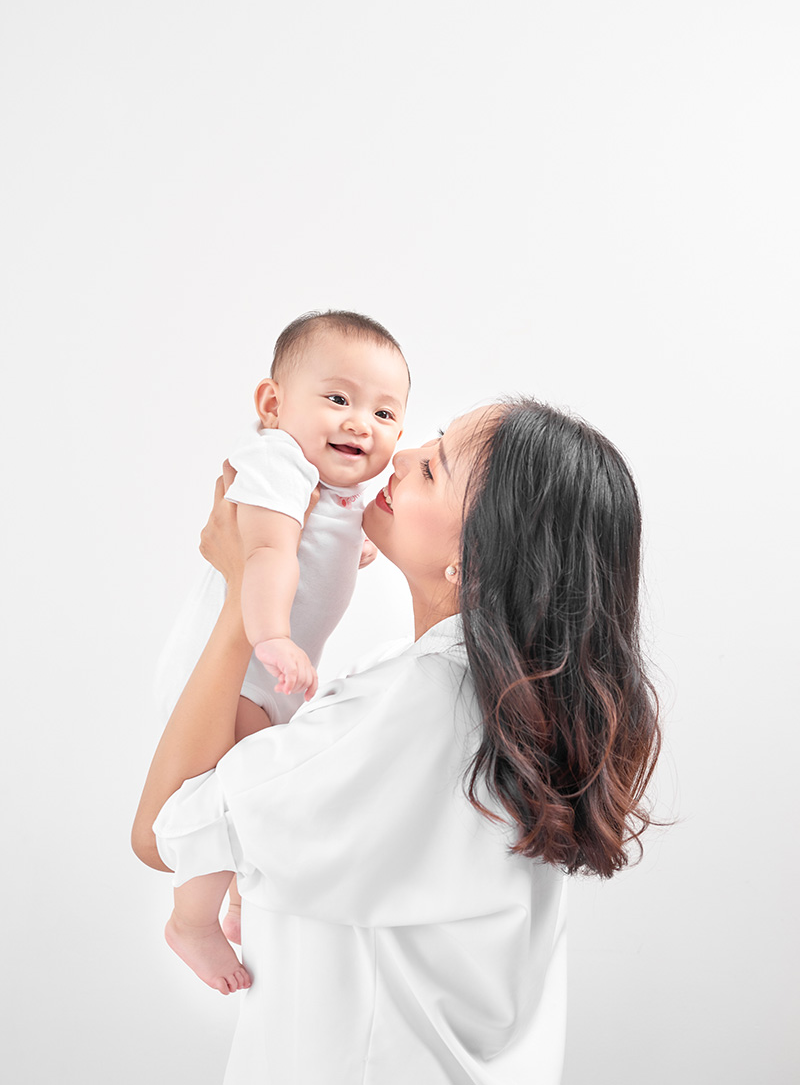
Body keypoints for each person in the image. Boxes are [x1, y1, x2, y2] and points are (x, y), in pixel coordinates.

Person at [133, 398, 661, 1085]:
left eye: (436, 468)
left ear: (475, 561)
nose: (403, 453)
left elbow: (163, 831)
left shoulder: (416, 710)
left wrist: (244, 595)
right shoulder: (507, 716)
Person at [152, 309, 410, 980]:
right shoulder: (275, 462)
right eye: (338, 399)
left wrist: (342, 551)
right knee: (226, 796)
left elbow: (309, 546)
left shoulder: (334, 489)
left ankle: (241, 894)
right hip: (238, 671)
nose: (362, 424)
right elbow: (267, 552)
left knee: (256, 793)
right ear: (273, 404)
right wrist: (270, 637)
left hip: (268, 677)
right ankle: (192, 920)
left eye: (385, 415)